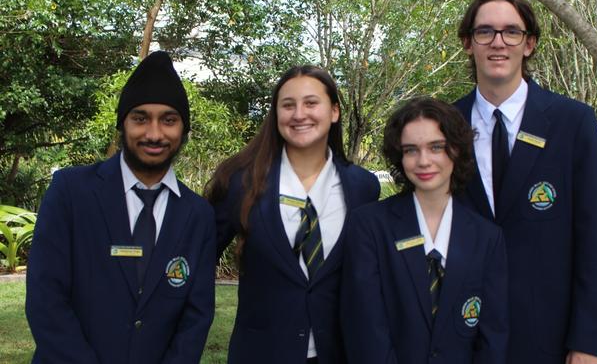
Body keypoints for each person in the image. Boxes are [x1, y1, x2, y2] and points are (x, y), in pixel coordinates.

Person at [25, 51, 217, 364]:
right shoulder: (71, 193)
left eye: (168, 120)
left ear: (184, 130)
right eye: (140, 118)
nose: (154, 134)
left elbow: (196, 319)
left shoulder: (198, 216)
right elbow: (45, 299)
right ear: (122, 124)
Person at [453, 0, 597, 363]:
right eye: (485, 31)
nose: (498, 42)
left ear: (529, 44)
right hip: (458, 338)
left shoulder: (572, 123)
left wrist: (588, 343)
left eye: (511, 31)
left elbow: (596, 241)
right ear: (468, 42)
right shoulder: (444, 126)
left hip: (548, 338)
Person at [205, 65, 380, 364]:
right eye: (288, 105)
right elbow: (196, 261)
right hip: (261, 354)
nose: (299, 114)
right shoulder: (240, 182)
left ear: (334, 111)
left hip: (339, 354)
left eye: (311, 103)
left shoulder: (363, 187)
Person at [341, 96, 508, 363]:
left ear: (456, 150)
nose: (423, 161)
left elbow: (492, 336)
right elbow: (365, 328)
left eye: (436, 147)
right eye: (410, 150)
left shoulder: (487, 238)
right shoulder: (369, 226)